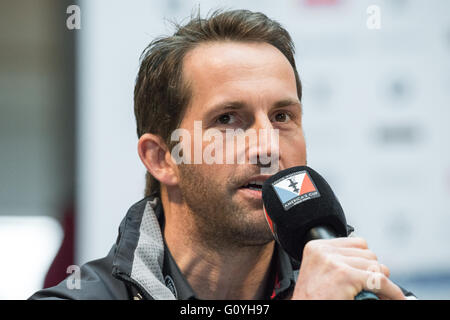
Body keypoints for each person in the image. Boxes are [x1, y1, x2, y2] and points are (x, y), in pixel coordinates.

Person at [30, 9, 414, 300]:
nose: (268, 146)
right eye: (228, 119)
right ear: (161, 158)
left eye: (282, 117)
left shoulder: (361, 291)